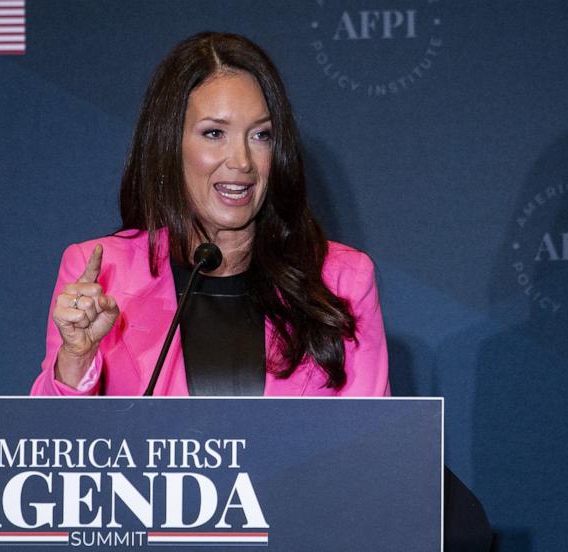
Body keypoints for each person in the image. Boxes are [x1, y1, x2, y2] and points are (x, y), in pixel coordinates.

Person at [31, 31, 389, 397]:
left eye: (261, 135)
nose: (242, 162)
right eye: (215, 133)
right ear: (169, 145)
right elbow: (51, 443)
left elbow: (376, 443)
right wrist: (76, 358)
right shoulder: (103, 272)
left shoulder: (343, 280)